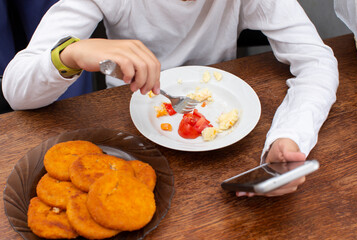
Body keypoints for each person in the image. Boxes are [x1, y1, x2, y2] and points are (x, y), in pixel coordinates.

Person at [2, 0, 339, 197]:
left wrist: (291, 134)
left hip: (222, 157)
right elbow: (17, 91)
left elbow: (317, 61)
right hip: (125, 147)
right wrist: (70, 52)